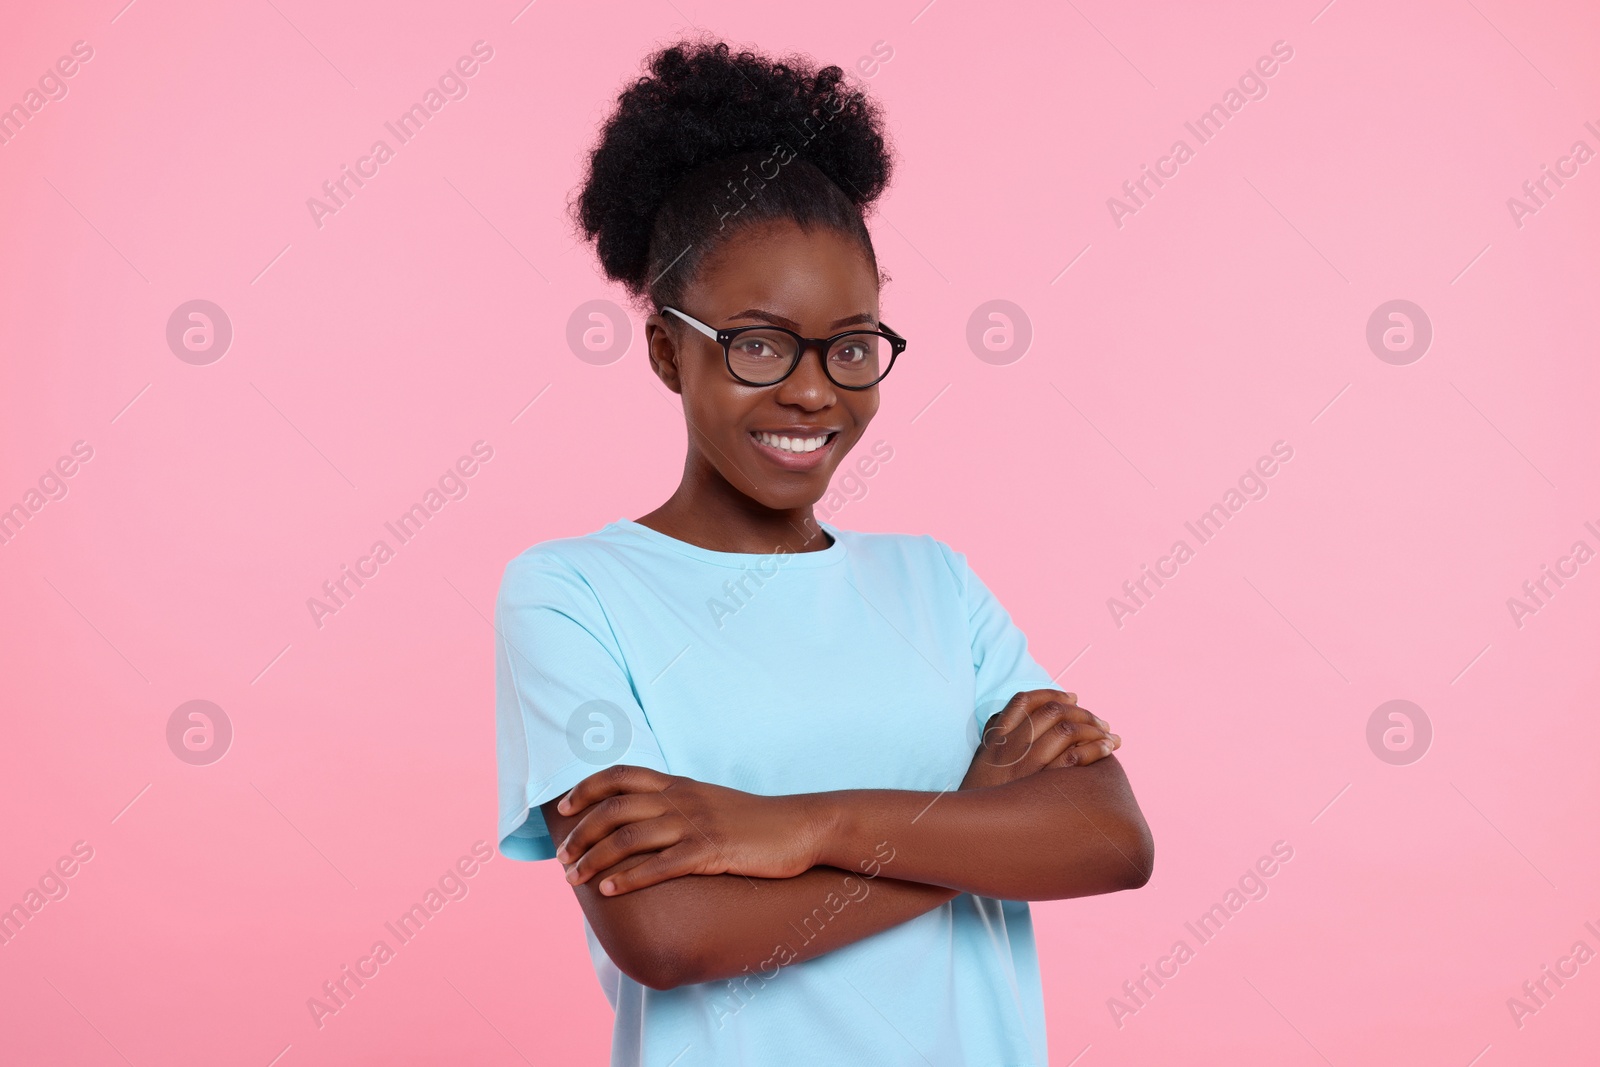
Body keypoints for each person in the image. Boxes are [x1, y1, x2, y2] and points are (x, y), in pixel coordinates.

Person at [495, 36, 1154, 1067]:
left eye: (851, 345)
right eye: (758, 343)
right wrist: (976, 822)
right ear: (669, 349)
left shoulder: (934, 581)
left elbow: (1110, 839)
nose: (813, 390)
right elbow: (667, 932)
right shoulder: (573, 592)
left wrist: (791, 827)